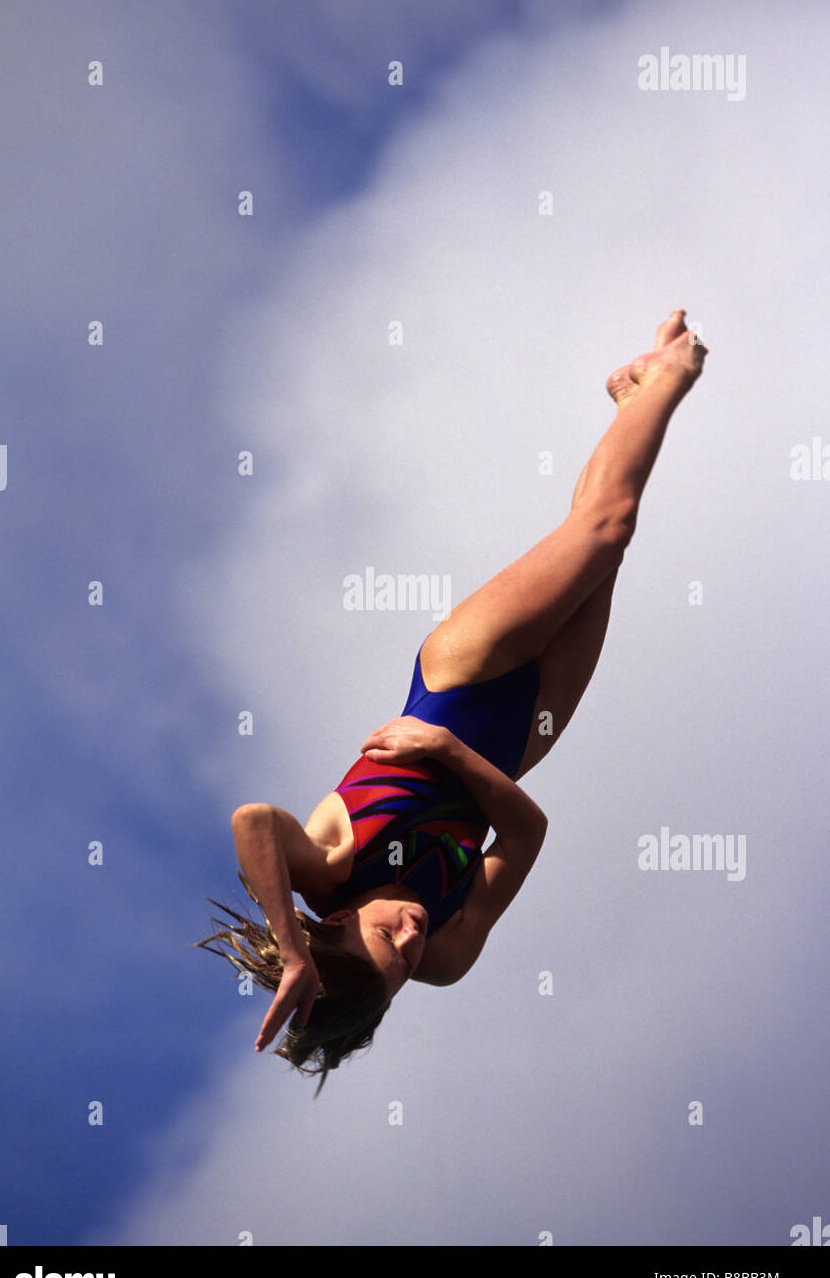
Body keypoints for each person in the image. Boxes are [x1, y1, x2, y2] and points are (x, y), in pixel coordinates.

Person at [198, 310, 708, 1095]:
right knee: (603, 549)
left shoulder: (329, 875)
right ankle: (628, 399)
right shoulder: (447, 957)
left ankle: (667, 376)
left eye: (386, 938)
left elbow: (252, 820)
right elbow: (529, 833)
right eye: (403, 960)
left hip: (459, 675)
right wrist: (448, 757)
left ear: (336, 924)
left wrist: (291, 949)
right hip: (521, 734)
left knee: (607, 528)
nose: (409, 935)